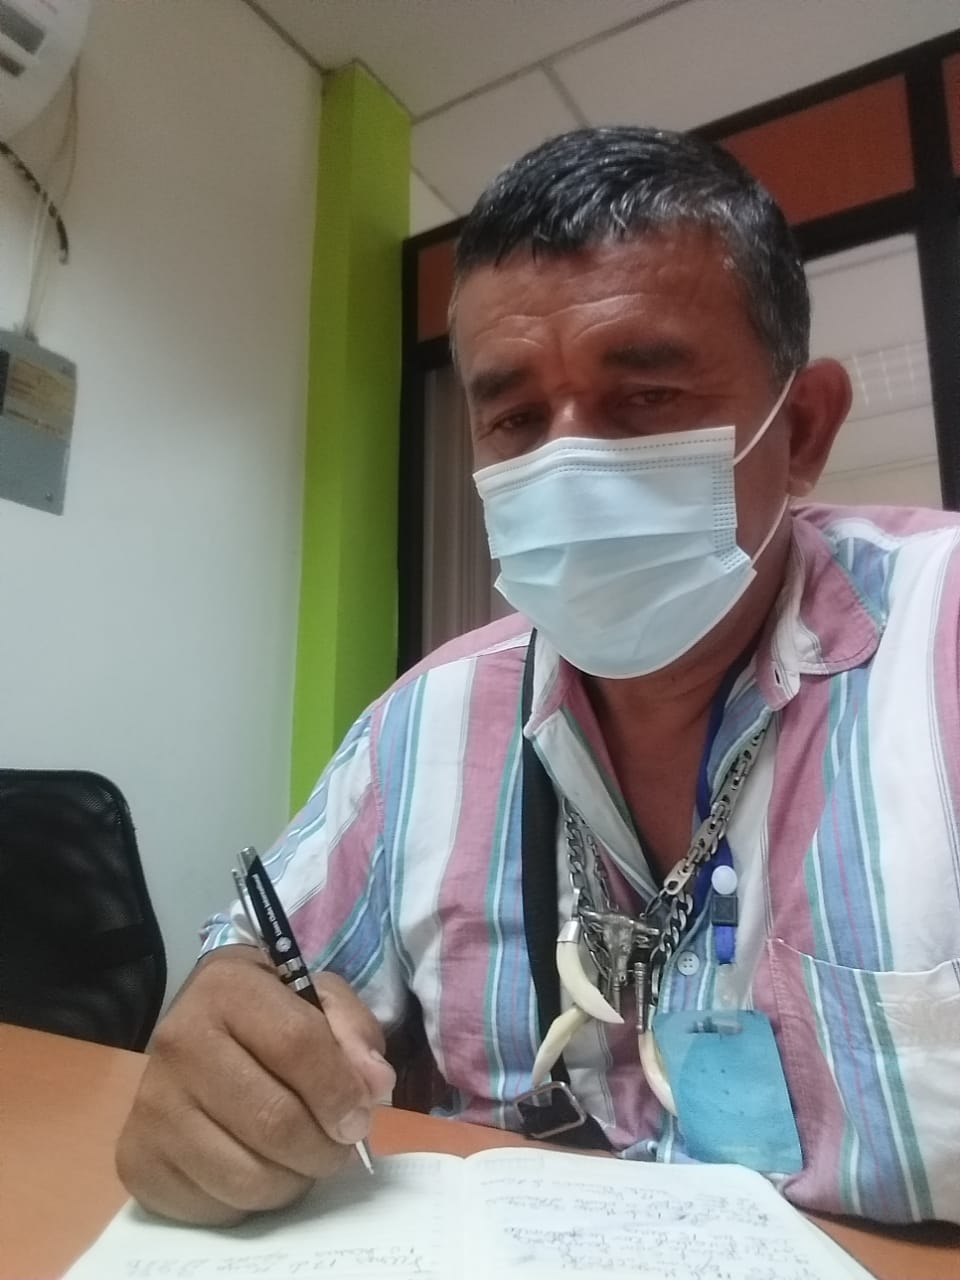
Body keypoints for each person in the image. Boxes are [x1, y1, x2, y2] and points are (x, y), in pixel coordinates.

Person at [117, 126, 960, 1228]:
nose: (568, 464)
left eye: (645, 396)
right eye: (515, 418)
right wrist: (227, 1050)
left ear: (800, 429)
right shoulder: (423, 727)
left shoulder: (939, 649)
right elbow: (255, 978)